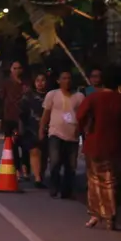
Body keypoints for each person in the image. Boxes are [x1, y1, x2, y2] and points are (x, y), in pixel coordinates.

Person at [76, 67, 121, 229]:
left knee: (94, 180)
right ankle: (109, 215)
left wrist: (85, 129)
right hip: (115, 146)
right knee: (111, 180)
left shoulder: (93, 98)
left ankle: (97, 213)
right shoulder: (118, 99)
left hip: (94, 143)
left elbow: (80, 116)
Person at [39, 69, 84, 200]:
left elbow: (82, 116)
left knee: (70, 165)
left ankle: (67, 190)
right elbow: (46, 114)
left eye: (69, 78)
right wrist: (42, 129)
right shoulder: (52, 95)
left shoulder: (79, 97)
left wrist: (82, 131)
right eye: (64, 78)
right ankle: (54, 186)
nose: (67, 81)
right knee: (55, 161)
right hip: (55, 133)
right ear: (58, 81)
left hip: (73, 135)